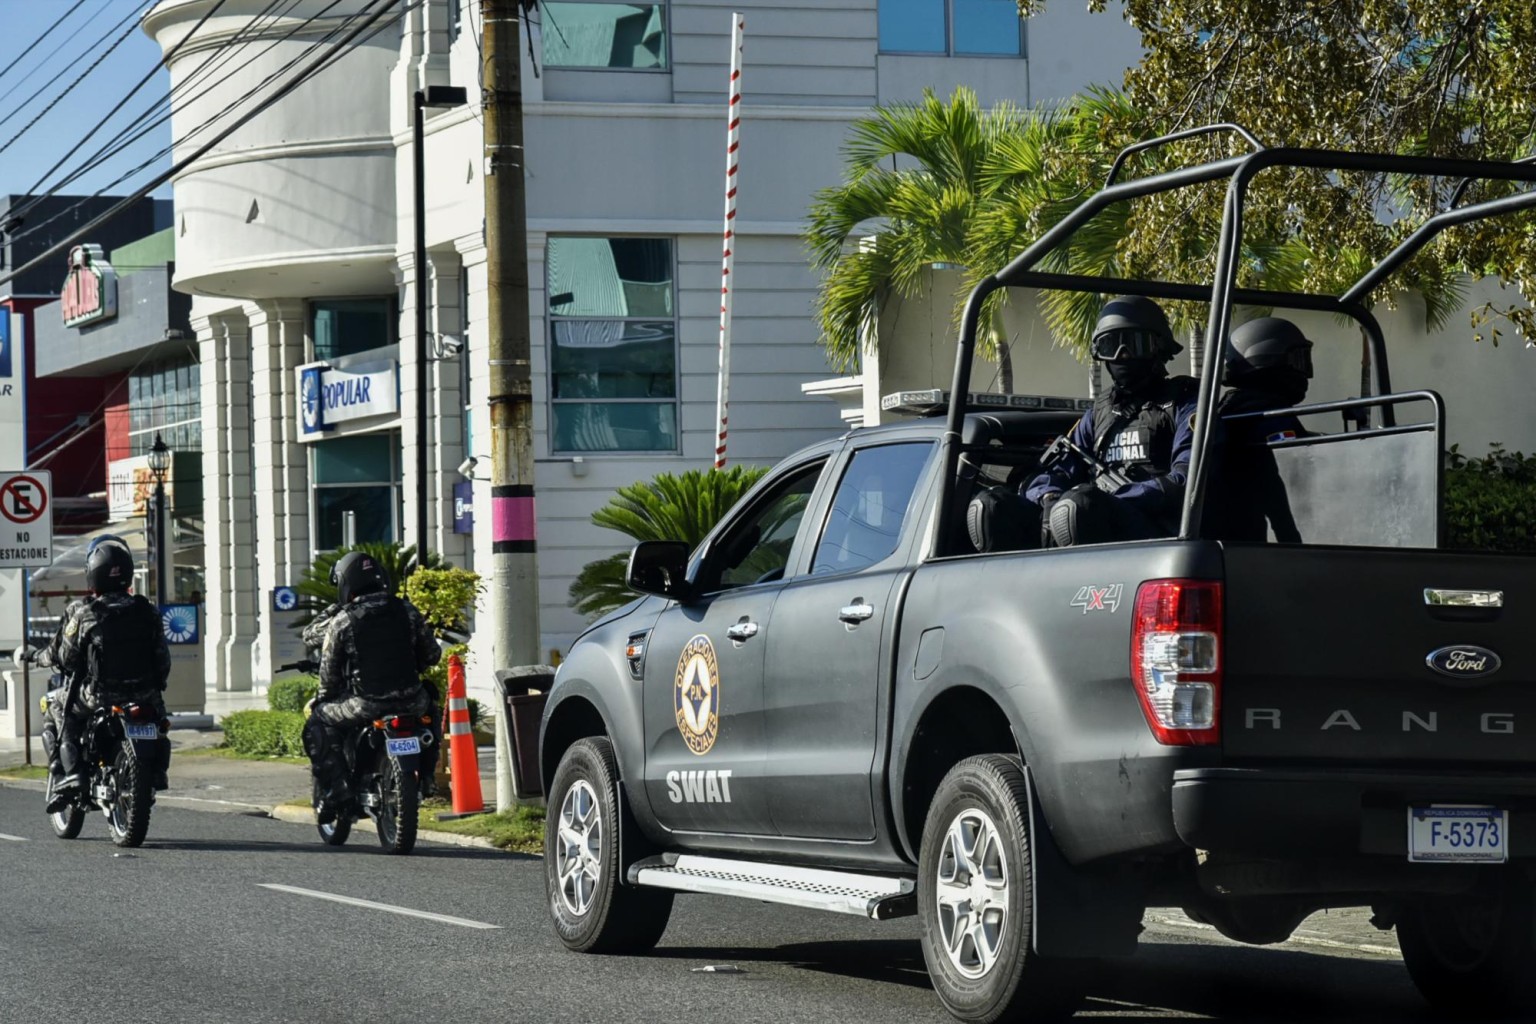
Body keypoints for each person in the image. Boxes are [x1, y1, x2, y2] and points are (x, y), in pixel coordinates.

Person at [1022, 295, 1200, 546]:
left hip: (1160, 532)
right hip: (1095, 521)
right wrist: (1049, 495)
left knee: (1080, 504)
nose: (1123, 356)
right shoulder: (1099, 412)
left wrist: (1117, 497)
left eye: (1134, 344)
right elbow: (1057, 468)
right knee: (991, 507)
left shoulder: (1184, 404)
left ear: (1159, 348)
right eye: (1111, 346)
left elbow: (1187, 481)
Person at [301, 552, 442, 822]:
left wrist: (324, 700)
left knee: (318, 720)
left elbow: (328, 675)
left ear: (345, 583)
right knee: (431, 706)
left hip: (365, 705)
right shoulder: (406, 610)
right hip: (412, 701)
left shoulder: (343, 620)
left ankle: (341, 792)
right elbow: (432, 655)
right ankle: (426, 778)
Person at [41, 541, 171, 812]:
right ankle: (157, 770)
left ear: (93, 574)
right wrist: (155, 685)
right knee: (159, 724)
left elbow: (66, 658)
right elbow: (163, 660)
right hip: (146, 696)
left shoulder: (87, 614)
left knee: (56, 706)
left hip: (100, 696)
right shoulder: (147, 610)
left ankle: (74, 772)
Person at [1213, 316, 1315, 543]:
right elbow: (1292, 466)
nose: (1306, 373)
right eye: (1298, 360)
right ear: (1270, 360)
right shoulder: (1267, 413)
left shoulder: (1231, 408)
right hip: (1264, 542)